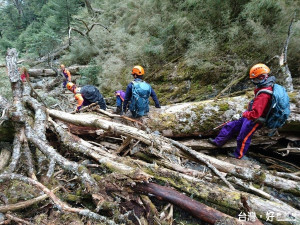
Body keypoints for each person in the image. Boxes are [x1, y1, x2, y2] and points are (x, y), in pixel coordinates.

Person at [208, 63, 275, 159]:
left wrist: (244, 114)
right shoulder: (264, 86)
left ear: (262, 77)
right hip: (249, 114)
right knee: (231, 125)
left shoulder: (264, 94)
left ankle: (238, 155)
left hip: (255, 120)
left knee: (243, 137)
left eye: (255, 79)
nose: (254, 82)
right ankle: (218, 141)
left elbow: (256, 114)